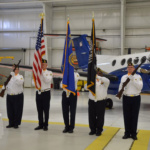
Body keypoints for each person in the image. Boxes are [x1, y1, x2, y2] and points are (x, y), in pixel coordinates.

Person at [119, 62, 143, 140]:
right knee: (126, 116)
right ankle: (127, 133)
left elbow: (140, 87)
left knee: (134, 116)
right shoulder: (124, 77)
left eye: (131, 67)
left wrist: (132, 79)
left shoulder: (138, 77)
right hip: (126, 98)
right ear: (127, 68)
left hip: (136, 98)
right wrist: (119, 94)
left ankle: (133, 134)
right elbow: (121, 86)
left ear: (134, 68)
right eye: (128, 67)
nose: (130, 68)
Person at [88, 68, 110, 136]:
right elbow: (86, 87)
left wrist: (98, 77)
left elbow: (107, 81)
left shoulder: (105, 81)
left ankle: (99, 130)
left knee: (100, 117)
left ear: (102, 74)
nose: (98, 74)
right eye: (97, 73)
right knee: (91, 116)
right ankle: (92, 130)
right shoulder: (92, 80)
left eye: (100, 73)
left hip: (101, 101)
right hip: (92, 101)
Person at [2, 64, 24, 129]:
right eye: (14, 68)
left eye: (16, 69)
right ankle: (11, 123)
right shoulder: (10, 77)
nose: (15, 70)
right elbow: (6, 85)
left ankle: (16, 123)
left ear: (18, 70)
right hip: (9, 96)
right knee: (10, 110)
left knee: (17, 110)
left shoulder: (20, 76)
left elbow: (20, 83)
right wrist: (3, 89)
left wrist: (14, 76)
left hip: (17, 96)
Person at [34, 59, 53, 131]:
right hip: (38, 92)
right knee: (39, 109)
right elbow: (34, 82)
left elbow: (47, 80)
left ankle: (46, 125)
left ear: (46, 65)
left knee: (46, 109)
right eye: (41, 64)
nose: (42, 66)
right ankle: (40, 124)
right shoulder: (37, 73)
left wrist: (41, 73)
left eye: (44, 64)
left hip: (46, 93)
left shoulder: (49, 72)